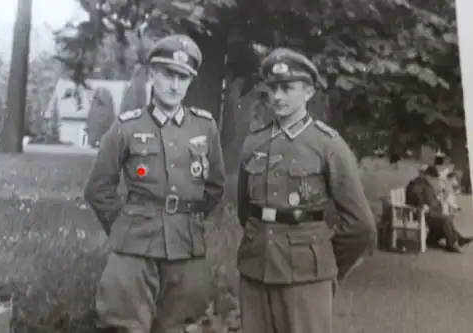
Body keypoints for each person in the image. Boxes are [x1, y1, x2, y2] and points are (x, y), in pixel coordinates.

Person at [83, 34, 226, 333]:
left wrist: (188, 223)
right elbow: (98, 188)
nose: (175, 85)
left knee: (183, 325)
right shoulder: (127, 126)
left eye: (183, 78)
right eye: (168, 75)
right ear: (152, 75)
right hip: (134, 249)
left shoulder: (204, 126)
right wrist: (125, 226)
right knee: (124, 324)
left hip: (186, 250)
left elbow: (214, 187)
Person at [236, 47, 377, 333]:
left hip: (306, 278)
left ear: (308, 92)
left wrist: (325, 265)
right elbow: (245, 210)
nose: (277, 96)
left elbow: (361, 226)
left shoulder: (328, 145)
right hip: (255, 273)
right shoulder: (253, 144)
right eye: (273, 87)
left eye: (287, 88)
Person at [405, 165, 472, 252]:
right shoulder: (418, 184)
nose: (434, 180)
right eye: (433, 178)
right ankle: (450, 244)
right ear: (427, 175)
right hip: (421, 213)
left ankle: (458, 239)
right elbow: (415, 195)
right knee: (445, 219)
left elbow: (431, 197)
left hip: (429, 211)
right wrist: (422, 204)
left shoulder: (426, 184)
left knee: (446, 219)